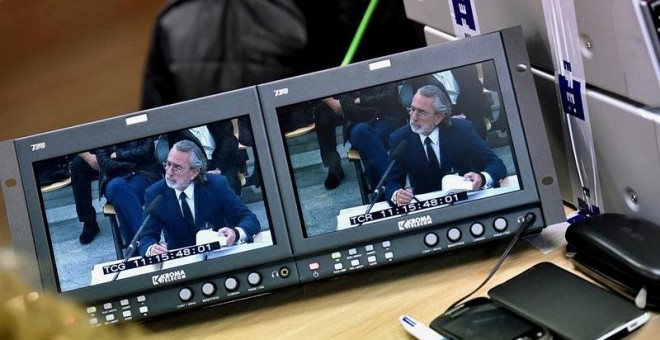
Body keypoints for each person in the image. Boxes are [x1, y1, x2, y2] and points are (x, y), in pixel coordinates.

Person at [384, 85, 507, 207]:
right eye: (412, 109)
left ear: (438, 117)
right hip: (427, 207)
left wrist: (482, 178)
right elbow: (391, 182)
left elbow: (496, 164)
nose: (413, 117)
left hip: (465, 202)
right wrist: (395, 195)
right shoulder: (400, 138)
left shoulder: (461, 129)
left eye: (421, 112)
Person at [138, 140, 261, 257]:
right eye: (168, 164)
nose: (169, 172)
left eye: (177, 167)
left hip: (220, 255)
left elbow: (249, 219)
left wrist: (235, 233)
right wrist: (150, 249)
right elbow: (146, 237)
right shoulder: (155, 193)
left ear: (194, 172)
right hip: (183, 264)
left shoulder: (216, 185)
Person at [338, 82, 408, 192]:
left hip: (386, 120)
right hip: (357, 123)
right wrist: (375, 110)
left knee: (370, 144)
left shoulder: (379, 68)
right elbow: (348, 107)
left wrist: (362, 100)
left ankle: (381, 192)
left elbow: (390, 96)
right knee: (363, 132)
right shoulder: (345, 75)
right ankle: (393, 184)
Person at [95, 138, 162, 244]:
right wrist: (130, 165)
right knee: (119, 188)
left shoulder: (138, 122)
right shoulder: (101, 130)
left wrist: (118, 154)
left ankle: (135, 252)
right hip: (113, 177)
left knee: (124, 200)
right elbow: (105, 162)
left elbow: (146, 150)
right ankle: (147, 241)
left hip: (143, 173)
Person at [69, 151, 101, 244]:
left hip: (116, 149)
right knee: (77, 166)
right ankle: (89, 221)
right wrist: (88, 157)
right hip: (94, 151)